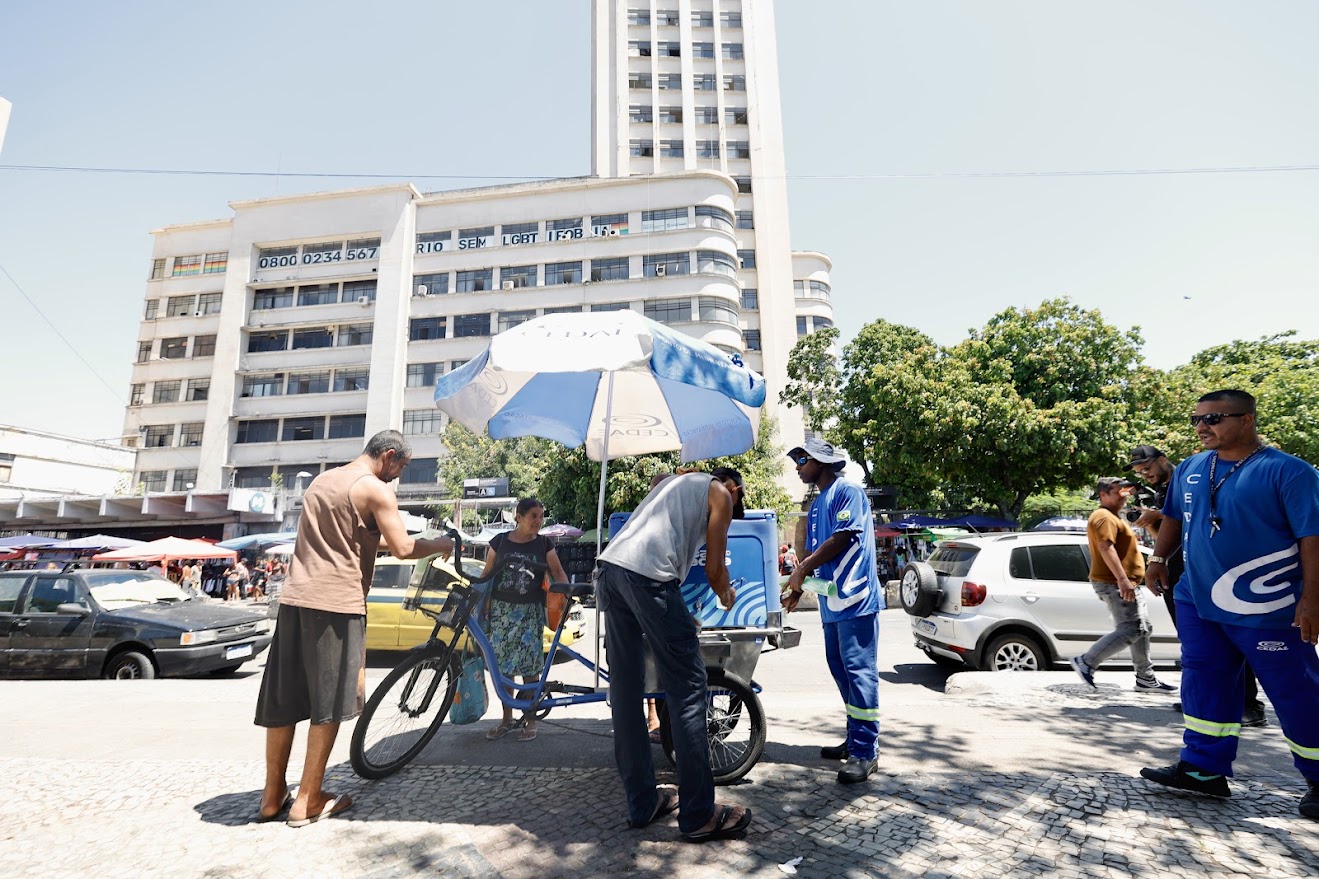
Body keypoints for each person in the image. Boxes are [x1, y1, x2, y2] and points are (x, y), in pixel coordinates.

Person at [254, 430, 454, 826]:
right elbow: (403, 549)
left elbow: (349, 539)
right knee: (327, 704)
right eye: (401, 467)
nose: (398, 476)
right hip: (336, 604)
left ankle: (272, 795)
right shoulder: (376, 490)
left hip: (294, 600)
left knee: (285, 700)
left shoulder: (323, 481)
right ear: (389, 456)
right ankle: (308, 799)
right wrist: (440, 543)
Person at [1139, 390, 1319, 820]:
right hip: (1197, 600)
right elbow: (1174, 518)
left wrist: (1312, 597)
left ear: (1247, 420)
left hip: (1268, 605)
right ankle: (1203, 770)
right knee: (1203, 681)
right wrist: (1159, 559)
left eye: (1214, 418)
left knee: (1296, 691)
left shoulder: (1290, 472)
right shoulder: (1190, 467)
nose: (1203, 427)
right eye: (1197, 419)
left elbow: (1312, 537)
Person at [595, 467, 752, 843]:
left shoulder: (679, 483)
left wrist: (677, 614)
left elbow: (657, 481)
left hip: (611, 571)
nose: (731, 510)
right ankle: (698, 814)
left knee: (627, 692)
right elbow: (715, 571)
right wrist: (727, 594)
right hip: (647, 578)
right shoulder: (721, 495)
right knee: (689, 688)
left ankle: (643, 803)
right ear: (735, 487)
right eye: (736, 502)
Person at [1127, 444, 1267, 727]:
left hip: (1207, 573)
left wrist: (1159, 519)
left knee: (1230, 639)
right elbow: (1171, 535)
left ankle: (1249, 705)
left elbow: (1200, 525)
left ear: (1163, 460)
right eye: (1140, 472)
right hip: (1180, 575)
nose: (1145, 474)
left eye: (1148, 468)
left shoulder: (1192, 482)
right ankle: (1205, 700)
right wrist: (1156, 532)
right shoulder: (1164, 491)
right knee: (1197, 643)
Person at [782, 439, 883, 784]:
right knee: (841, 671)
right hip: (831, 603)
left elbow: (841, 538)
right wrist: (797, 588)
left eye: (801, 460)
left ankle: (866, 752)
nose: (797, 466)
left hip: (856, 600)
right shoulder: (814, 507)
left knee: (859, 673)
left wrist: (803, 568)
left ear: (821, 462)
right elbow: (812, 557)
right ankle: (855, 738)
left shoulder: (848, 492)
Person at [1068, 477, 1175, 692]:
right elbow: (1106, 547)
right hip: (1115, 583)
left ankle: (1145, 678)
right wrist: (1122, 580)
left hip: (1126, 583)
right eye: (1118, 492)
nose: (1123, 496)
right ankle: (1087, 662)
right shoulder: (1103, 516)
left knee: (1143, 629)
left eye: (1125, 491)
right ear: (1103, 495)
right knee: (1130, 629)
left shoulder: (1113, 516)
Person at [480, 497, 569, 743]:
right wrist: (479, 602)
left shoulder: (544, 544)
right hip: (501, 613)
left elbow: (558, 571)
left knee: (531, 669)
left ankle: (530, 722)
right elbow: (487, 574)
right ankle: (506, 720)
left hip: (530, 612)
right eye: (533, 516)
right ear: (518, 516)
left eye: (541, 516)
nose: (538, 521)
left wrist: (567, 596)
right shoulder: (499, 542)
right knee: (504, 671)